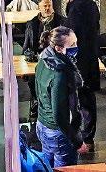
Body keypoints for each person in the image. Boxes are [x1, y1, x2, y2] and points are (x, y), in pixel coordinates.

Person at [35, 26, 82, 167]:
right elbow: (59, 116)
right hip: (57, 133)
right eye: (72, 45)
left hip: (42, 125)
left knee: (48, 166)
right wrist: (76, 141)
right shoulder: (59, 74)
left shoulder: (43, 61)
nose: (76, 47)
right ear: (58, 48)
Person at [63, 0, 101, 154]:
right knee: (89, 100)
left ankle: (78, 139)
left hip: (78, 63)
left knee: (76, 101)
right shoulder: (92, 5)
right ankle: (89, 138)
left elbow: (71, 39)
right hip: (91, 59)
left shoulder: (74, 10)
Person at [22, 0, 65, 120]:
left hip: (56, 59)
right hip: (38, 59)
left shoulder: (61, 22)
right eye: (44, 6)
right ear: (39, 8)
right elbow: (26, 46)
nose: (47, 8)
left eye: (49, 5)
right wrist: (29, 55)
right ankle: (37, 101)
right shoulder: (32, 24)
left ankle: (53, 105)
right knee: (33, 79)